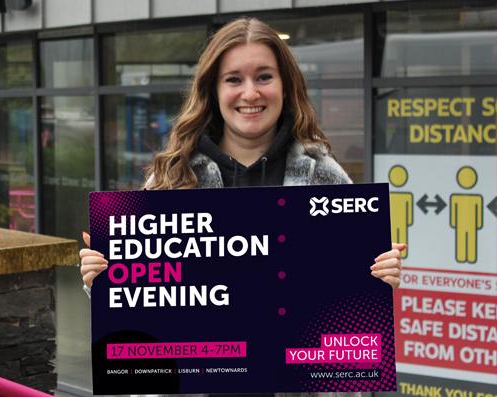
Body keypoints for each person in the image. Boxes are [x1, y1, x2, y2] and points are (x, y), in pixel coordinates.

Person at [80, 17, 404, 397]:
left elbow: (346, 309)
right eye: (234, 79)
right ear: (213, 90)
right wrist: (101, 280)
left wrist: (377, 278)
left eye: (264, 76)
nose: (250, 93)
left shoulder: (324, 175)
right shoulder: (172, 176)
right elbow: (141, 308)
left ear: (285, 86)